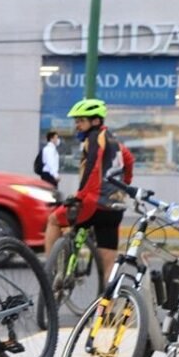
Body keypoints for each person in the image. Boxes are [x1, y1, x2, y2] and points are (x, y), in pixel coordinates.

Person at [44, 98, 133, 274]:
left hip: (94, 203)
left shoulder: (95, 137)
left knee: (54, 220)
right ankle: (107, 300)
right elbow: (129, 160)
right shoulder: (114, 141)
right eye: (76, 121)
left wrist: (81, 195)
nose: (77, 125)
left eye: (81, 121)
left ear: (96, 121)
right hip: (115, 206)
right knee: (107, 266)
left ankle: (49, 270)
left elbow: (92, 166)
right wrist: (124, 185)